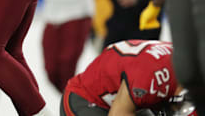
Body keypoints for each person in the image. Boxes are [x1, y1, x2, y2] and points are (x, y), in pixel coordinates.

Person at [61, 40, 193, 116]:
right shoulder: (153, 79)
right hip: (87, 98)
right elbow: (118, 113)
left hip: (127, 98)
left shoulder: (181, 64)